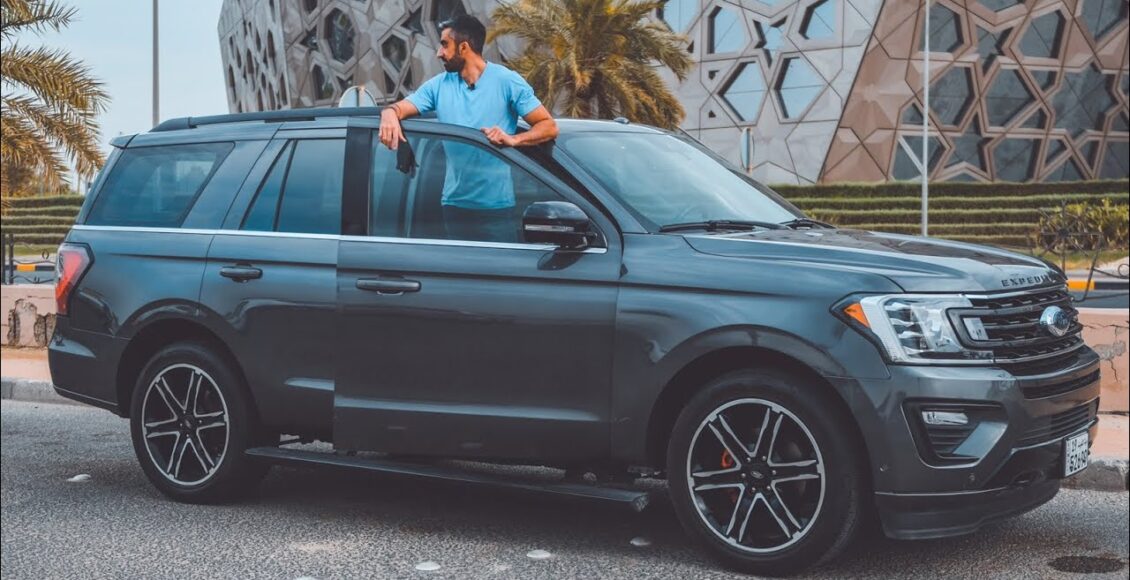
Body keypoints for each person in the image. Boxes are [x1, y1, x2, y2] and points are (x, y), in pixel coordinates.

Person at [378, 14, 559, 242]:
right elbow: (399, 108)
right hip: (453, 207)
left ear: (463, 47)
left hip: (497, 209)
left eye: (445, 45)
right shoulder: (439, 85)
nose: (439, 53)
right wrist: (389, 113)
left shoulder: (506, 81)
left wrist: (514, 140)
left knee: (497, 266)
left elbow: (548, 126)